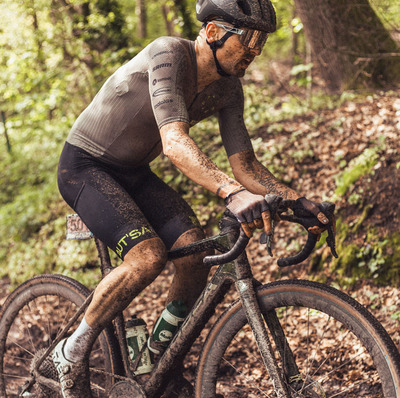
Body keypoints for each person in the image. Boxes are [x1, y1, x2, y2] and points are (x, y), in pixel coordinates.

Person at [54, 0, 330, 396]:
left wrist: (296, 201)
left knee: (193, 255)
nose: (255, 51)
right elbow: (174, 142)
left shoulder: (228, 88)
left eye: (261, 43)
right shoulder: (170, 54)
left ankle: (156, 356)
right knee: (147, 256)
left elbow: (246, 166)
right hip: (84, 166)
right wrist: (232, 193)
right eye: (249, 41)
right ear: (215, 32)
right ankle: (72, 349)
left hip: (133, 172)